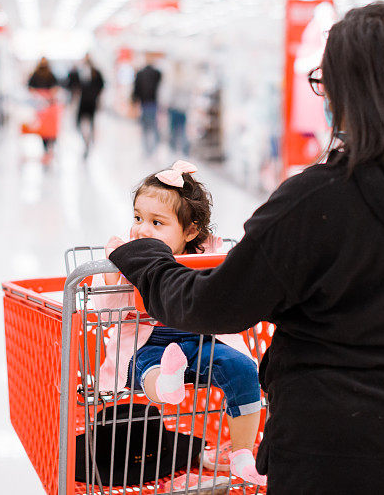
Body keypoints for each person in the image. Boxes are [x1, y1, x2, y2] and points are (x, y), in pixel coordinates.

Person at [105, 2, 384, 494]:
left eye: (325, 83)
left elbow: (214, 305)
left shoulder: (319, 199)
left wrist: (145, 258)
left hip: (339, 451)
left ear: (357, 95)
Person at [93, 160, 267, 489]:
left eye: (157, 223)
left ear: (190, 231)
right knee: (146, 366)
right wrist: (113, 277)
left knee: (243, 368)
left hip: (200, 340)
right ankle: (167, 383)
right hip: (148, 341)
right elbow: (106, 310)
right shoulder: (126, 254)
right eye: (138, 218)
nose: (142, 230)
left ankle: (243, 453)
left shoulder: (207, 253)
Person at [69, 54, 105, 157]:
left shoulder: (95, 73)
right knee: (79, 123)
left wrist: (96, 96)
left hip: (90, 101)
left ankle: (89, 140)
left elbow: (101, 85)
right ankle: (86, 140)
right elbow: (73, 85)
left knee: (90, 122)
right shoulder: (79, 72)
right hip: (83, 101)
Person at [27, 57, 59, 164]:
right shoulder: (50, 74)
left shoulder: (35, 74)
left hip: (40, 105)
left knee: (44, 127)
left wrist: (38, 95)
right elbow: (55, 88)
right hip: (48, 104)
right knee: (49, 127)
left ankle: (46, 147)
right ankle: (50, 145)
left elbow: (30, 87)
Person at [132, 57, 162, 156]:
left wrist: (134, 101)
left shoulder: (140, 73)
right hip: (153, 103)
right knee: (153, 127)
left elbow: (136, 90)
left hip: (144, 104)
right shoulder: (157, 74)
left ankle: (146, 150)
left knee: (145, 128)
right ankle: (153, 149)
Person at [165, 62, 191, 156]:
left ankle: (173, 149)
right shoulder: (186, 79)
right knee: (182, 130)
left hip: (175, 108)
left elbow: (171, 95)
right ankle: (184, 150)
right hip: (183, 109)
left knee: (173, 130)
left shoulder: (174, 80)